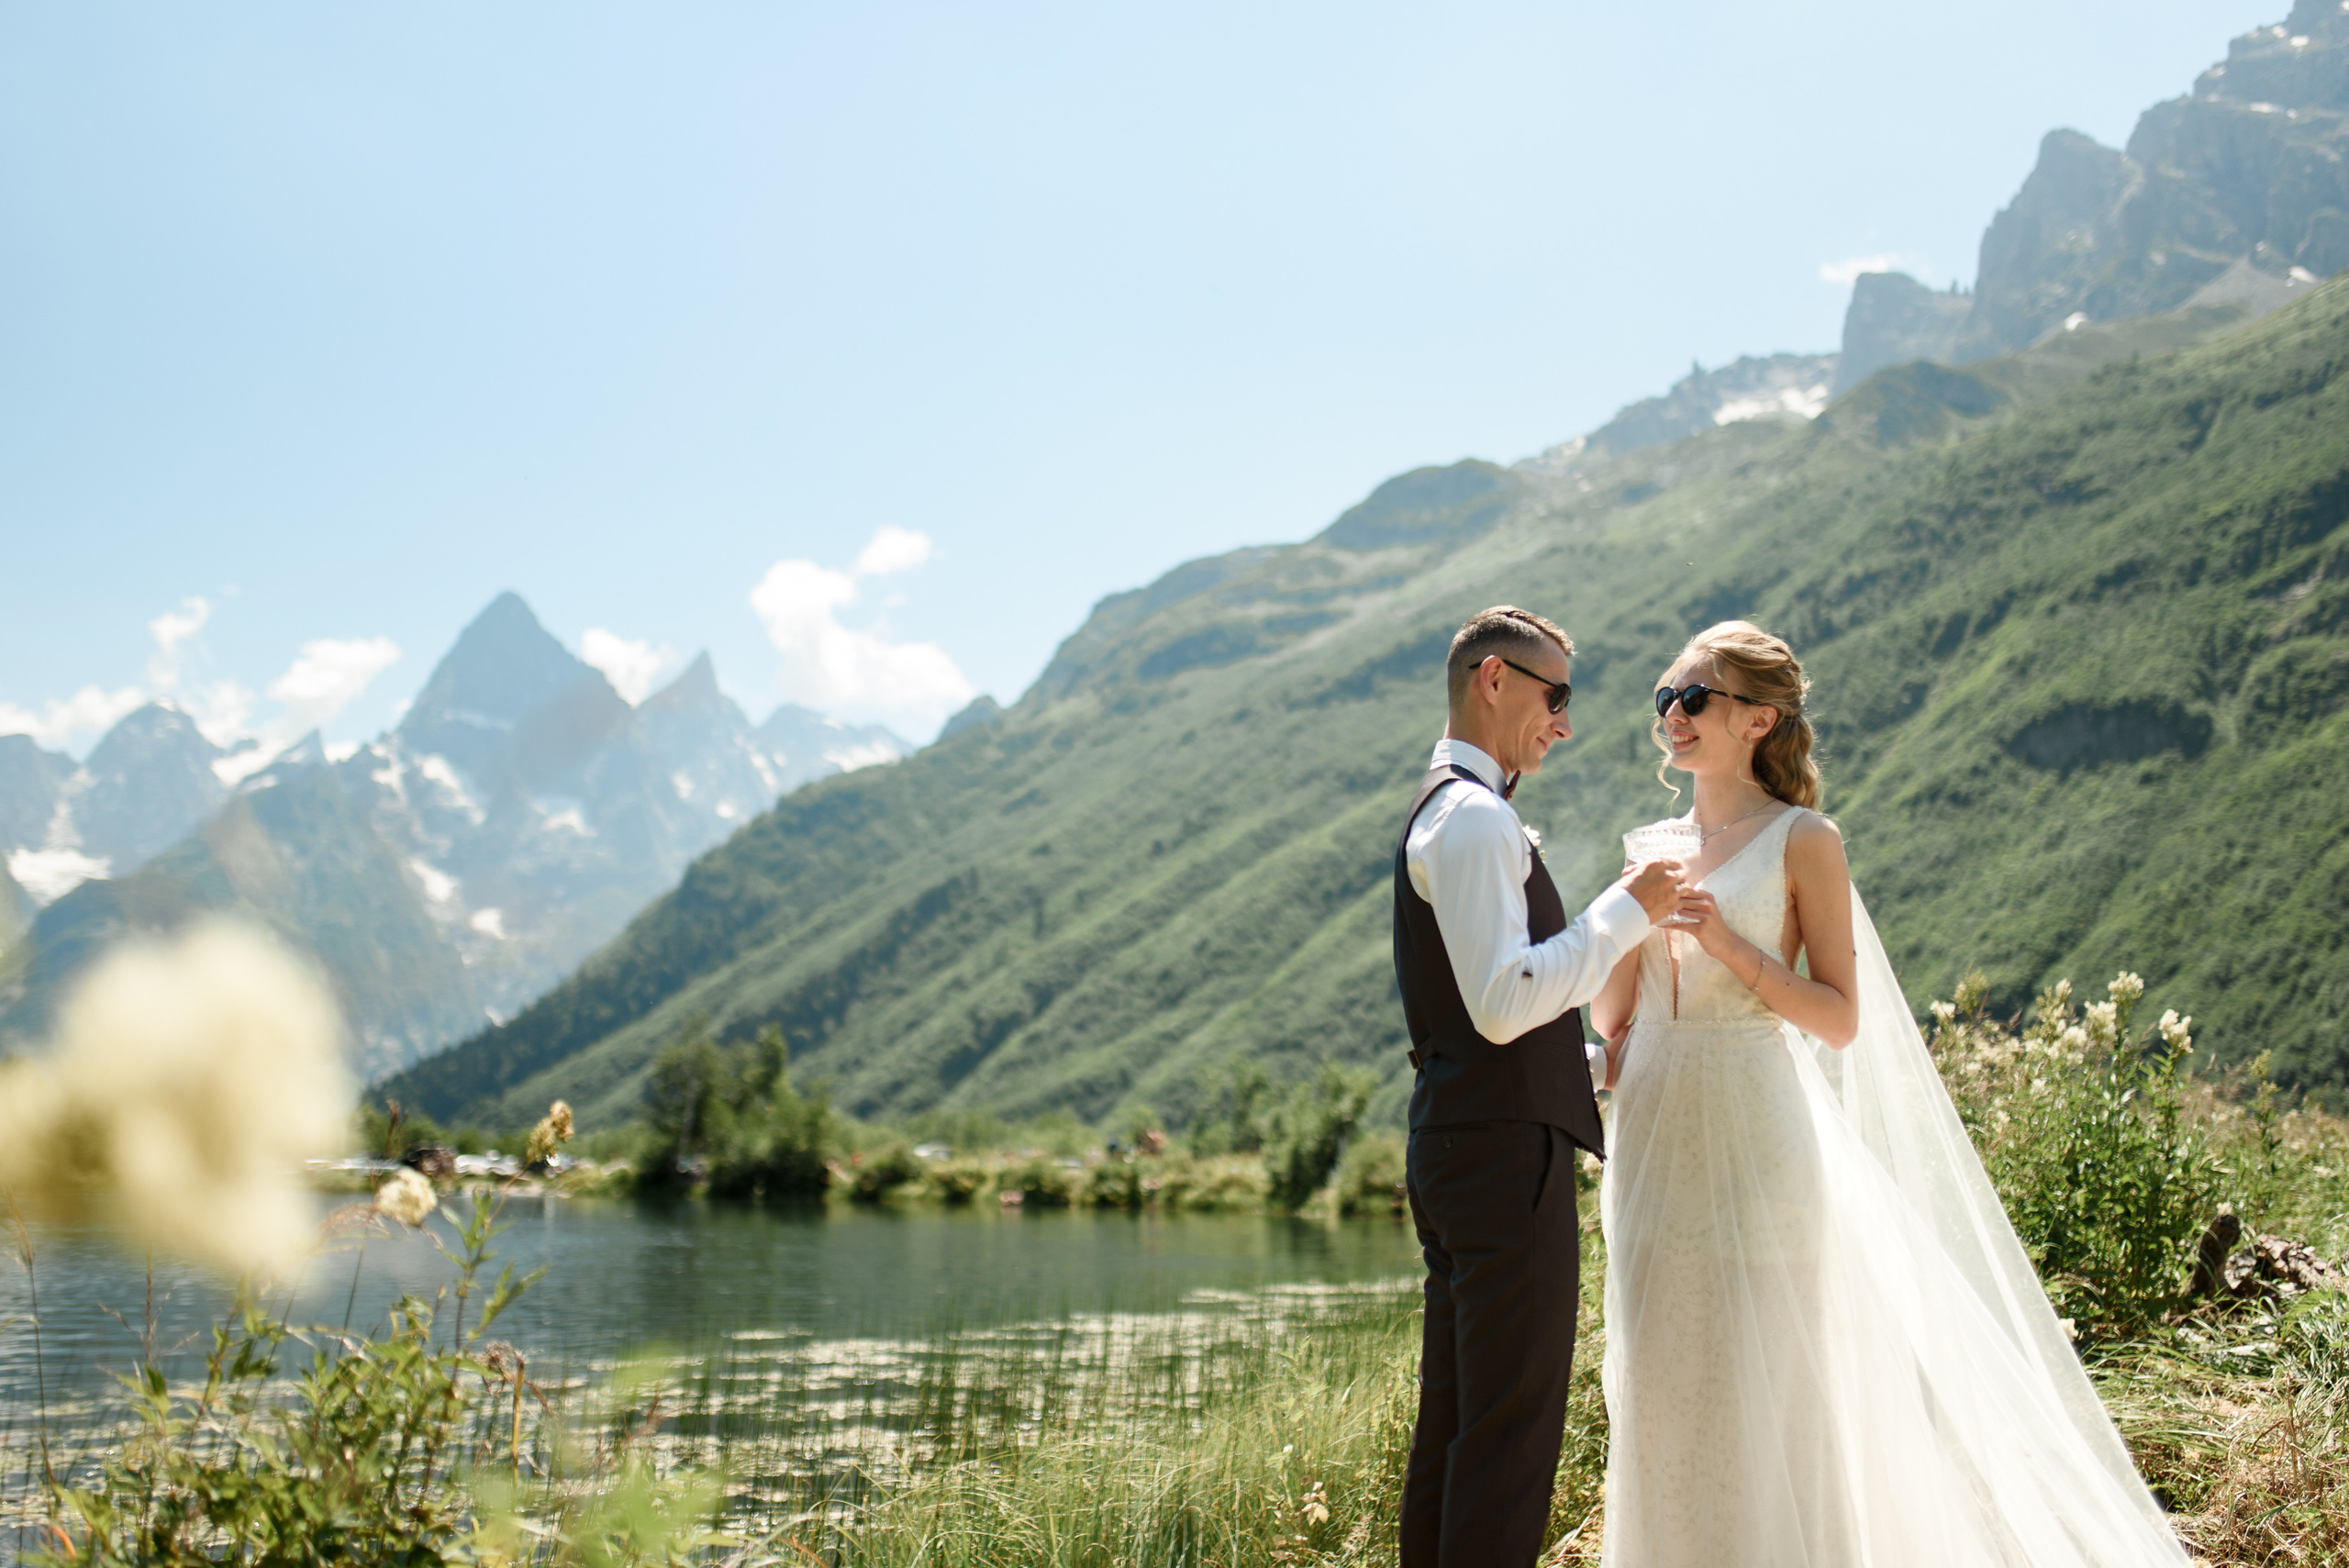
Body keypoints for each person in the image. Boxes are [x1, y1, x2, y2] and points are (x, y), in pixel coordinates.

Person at [1589, 619, 2191, 1566]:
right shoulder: (1649, 846)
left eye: (1695, 697)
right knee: (1661, 1383)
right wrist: (1626, 920)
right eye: (1667, 696)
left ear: (1757, 718)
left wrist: (1727, 946)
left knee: (1775, 1387)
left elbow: (1838, 1017)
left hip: (1758, 1123)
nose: (1674, 713)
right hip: (1655, 1131)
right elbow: (1613, 1018)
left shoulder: (1803, 839)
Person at [1393, 606, 1686, 1568]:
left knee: (1461, 1427)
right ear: (1494, 679)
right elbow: (1503, 1001)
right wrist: (1625, 912)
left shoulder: (1453, 809)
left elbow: (1482, 1020)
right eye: (1555, 696)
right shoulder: (1476, 818)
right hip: (1501, 1159)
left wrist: (1595, 1066)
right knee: (1511, 1439)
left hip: (1464, 1143)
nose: (1563, 721)